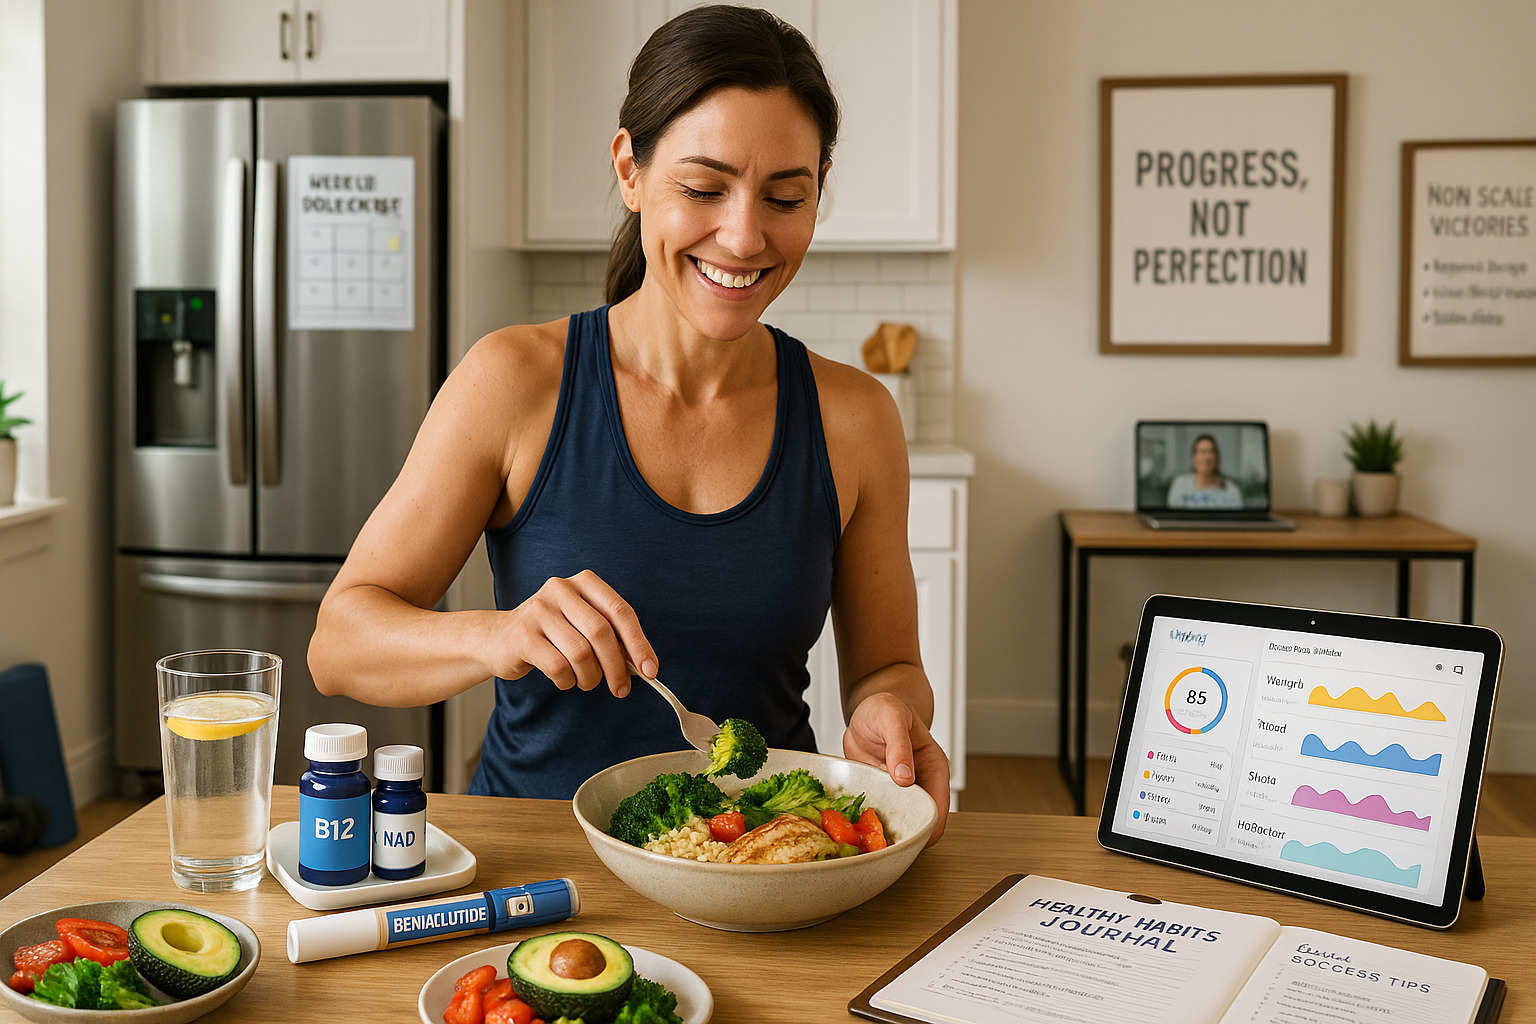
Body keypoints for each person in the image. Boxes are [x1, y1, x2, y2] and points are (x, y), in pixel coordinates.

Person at [308, 5, 949, 843]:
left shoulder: (855, 418)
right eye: (703, 188)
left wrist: (887, 711)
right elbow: (340, 642)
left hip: (764, 863)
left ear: (818, 191)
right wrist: (500, 635)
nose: (744, 234)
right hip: (535, 864)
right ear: (630, 169)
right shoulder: (515, 381)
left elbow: (889, 665)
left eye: (785, 196)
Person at [1165, 434, 1243, 509]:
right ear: (1194, 457)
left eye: (1211, 452)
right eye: (1203, 452)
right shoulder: (1180, 485)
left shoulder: (1231, 490)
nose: (1207, 458)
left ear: (1217, 457)